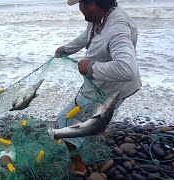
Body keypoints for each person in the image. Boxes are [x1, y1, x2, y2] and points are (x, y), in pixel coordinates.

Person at [54, 0, 142, 176]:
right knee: (93, 121)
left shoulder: (117, 29)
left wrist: (89, 67)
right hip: (101, 86)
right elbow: (87, 35)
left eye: (80, 3)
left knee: (64, 120)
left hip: (110, 91)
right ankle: (92, 133)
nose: (79, 8)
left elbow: (127, 69)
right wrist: (66, 49)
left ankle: (78, 165)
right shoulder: (101, 15)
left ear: (92, 3)